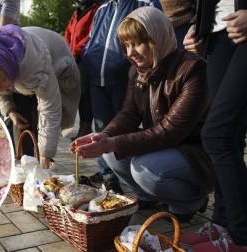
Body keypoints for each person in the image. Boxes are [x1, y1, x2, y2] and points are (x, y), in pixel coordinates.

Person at [72, 7, 214, 221]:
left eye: (137, 43)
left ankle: (190, 202)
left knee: (144, 170)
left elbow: (170, 132)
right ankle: (147, 195)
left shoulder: (192, 69)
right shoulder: (140, 71)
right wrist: (104, 135)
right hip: (166, 148)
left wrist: (112, 143)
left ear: (157, 37)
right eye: (126, 45)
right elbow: (129, 114)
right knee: (110, 151)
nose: (130, 53)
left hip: (194, 153)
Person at [180, 0, 247, 251]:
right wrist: (200, 24)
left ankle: (241, 237)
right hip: (218, 35)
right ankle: (222, 223)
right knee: (230, 137)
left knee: (216, 135)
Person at [0, 25, 81, 169]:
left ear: (9, 73)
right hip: (17, 75)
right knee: (22, 124)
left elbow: (49, 110)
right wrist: (10, 110)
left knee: (42, 130)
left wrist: (46, 153)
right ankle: (27, 168)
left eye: (0, 85)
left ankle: (40, 165)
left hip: (55, 66)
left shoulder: (36, 65)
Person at [81, 0, 161, 193]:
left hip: (125, 78)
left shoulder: (144, 3)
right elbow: (92, 38)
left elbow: (156, 38)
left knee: (123, 128)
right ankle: (108, 176)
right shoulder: (101, 8)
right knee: (101, 128)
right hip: (97, 78)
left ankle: (138, 180)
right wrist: (88, 56)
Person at [64, 0, 102, 140]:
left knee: (86, 94)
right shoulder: (77, 11)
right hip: (74, 58)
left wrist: (76, 50)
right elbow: (68, 32)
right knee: (79, 93)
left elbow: (92, 34)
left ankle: (86, 128)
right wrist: (67, 50)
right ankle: (82, 127)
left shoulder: (96, 9)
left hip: (86, 57)